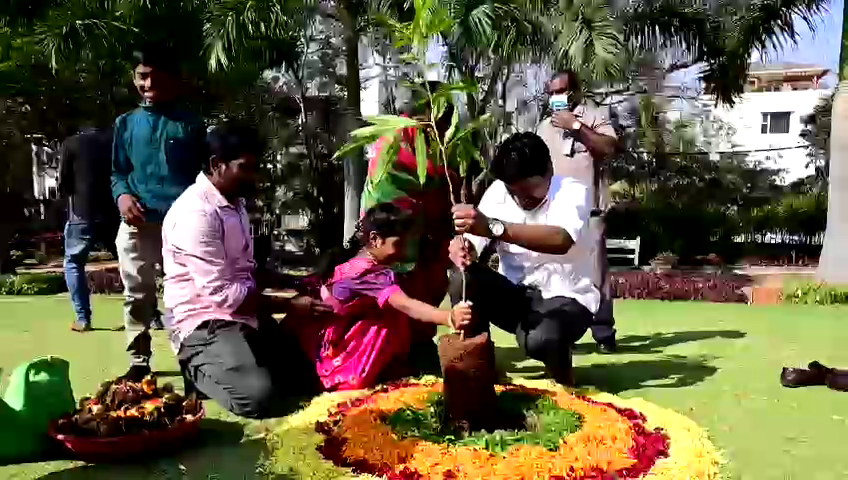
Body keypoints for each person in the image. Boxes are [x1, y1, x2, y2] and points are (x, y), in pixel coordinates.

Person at [163, 122, 327, 418]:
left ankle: (239, 360)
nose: (254, 176)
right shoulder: (195, 215)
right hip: (206, 321)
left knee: (308, 379)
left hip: (245, 315)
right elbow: (225, 297)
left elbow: (247, 270)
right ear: (217, 164)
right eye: (246, 167)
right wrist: (289, 304)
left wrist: (297, 281)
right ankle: (195, 364)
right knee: (258, 399)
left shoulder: (233, 203)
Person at [449, 132, 598, 386]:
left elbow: (561, 239)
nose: (521, 199)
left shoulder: (572, 191)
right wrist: (462, 249)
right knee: (461, 279)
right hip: (516, 299)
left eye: (530, 190)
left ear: (550, 170)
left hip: (569, 299)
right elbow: (473, 243)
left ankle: (562, 370)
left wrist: (494, 228)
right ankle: (480, 366)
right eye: (514, 191)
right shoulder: (498, 192)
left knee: (541, 340)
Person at [112, 48, 207, 381]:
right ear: (134, 78)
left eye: (155, 76)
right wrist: (122, 196)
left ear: (172, 79)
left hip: (183, 228)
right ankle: (139, 361)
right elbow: (118, 172)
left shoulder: (192, 124)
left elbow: (205, 175)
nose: (148, 83)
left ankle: (191, 360)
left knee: (183, 296)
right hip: (136, 224)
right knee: (136, 294)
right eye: (142, 76)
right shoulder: (125, 124)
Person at [357, 82, 460, 372]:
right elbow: (402, 187)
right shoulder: (396, 140)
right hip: (398, 236)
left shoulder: (436, 146)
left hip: (428, 240)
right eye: (441, 120)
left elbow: (443, 184)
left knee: (426, 291)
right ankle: (396, 353)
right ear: (426, 116)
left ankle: (418, 345)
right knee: (397, 298)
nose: (444, 128)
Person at [535, 69, 619, 354]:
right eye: (552, 93)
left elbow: (608, 148)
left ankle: (604, 333)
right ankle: (562, 333)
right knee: (556, 274)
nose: (556, 98)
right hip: (555, 212)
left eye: (561, 91)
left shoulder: (594, 117)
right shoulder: (544, 127)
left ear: (575, 91)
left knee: (596, 274)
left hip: (590, 211)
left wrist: (576, 127)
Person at [58, 127, 119, 332]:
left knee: (74, 262)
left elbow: (64, 183)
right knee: (133, 264)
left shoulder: (71, 143)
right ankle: (152, 316)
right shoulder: (115, 141)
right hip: (114, 211)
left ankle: (83, 319)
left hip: (82, 212)